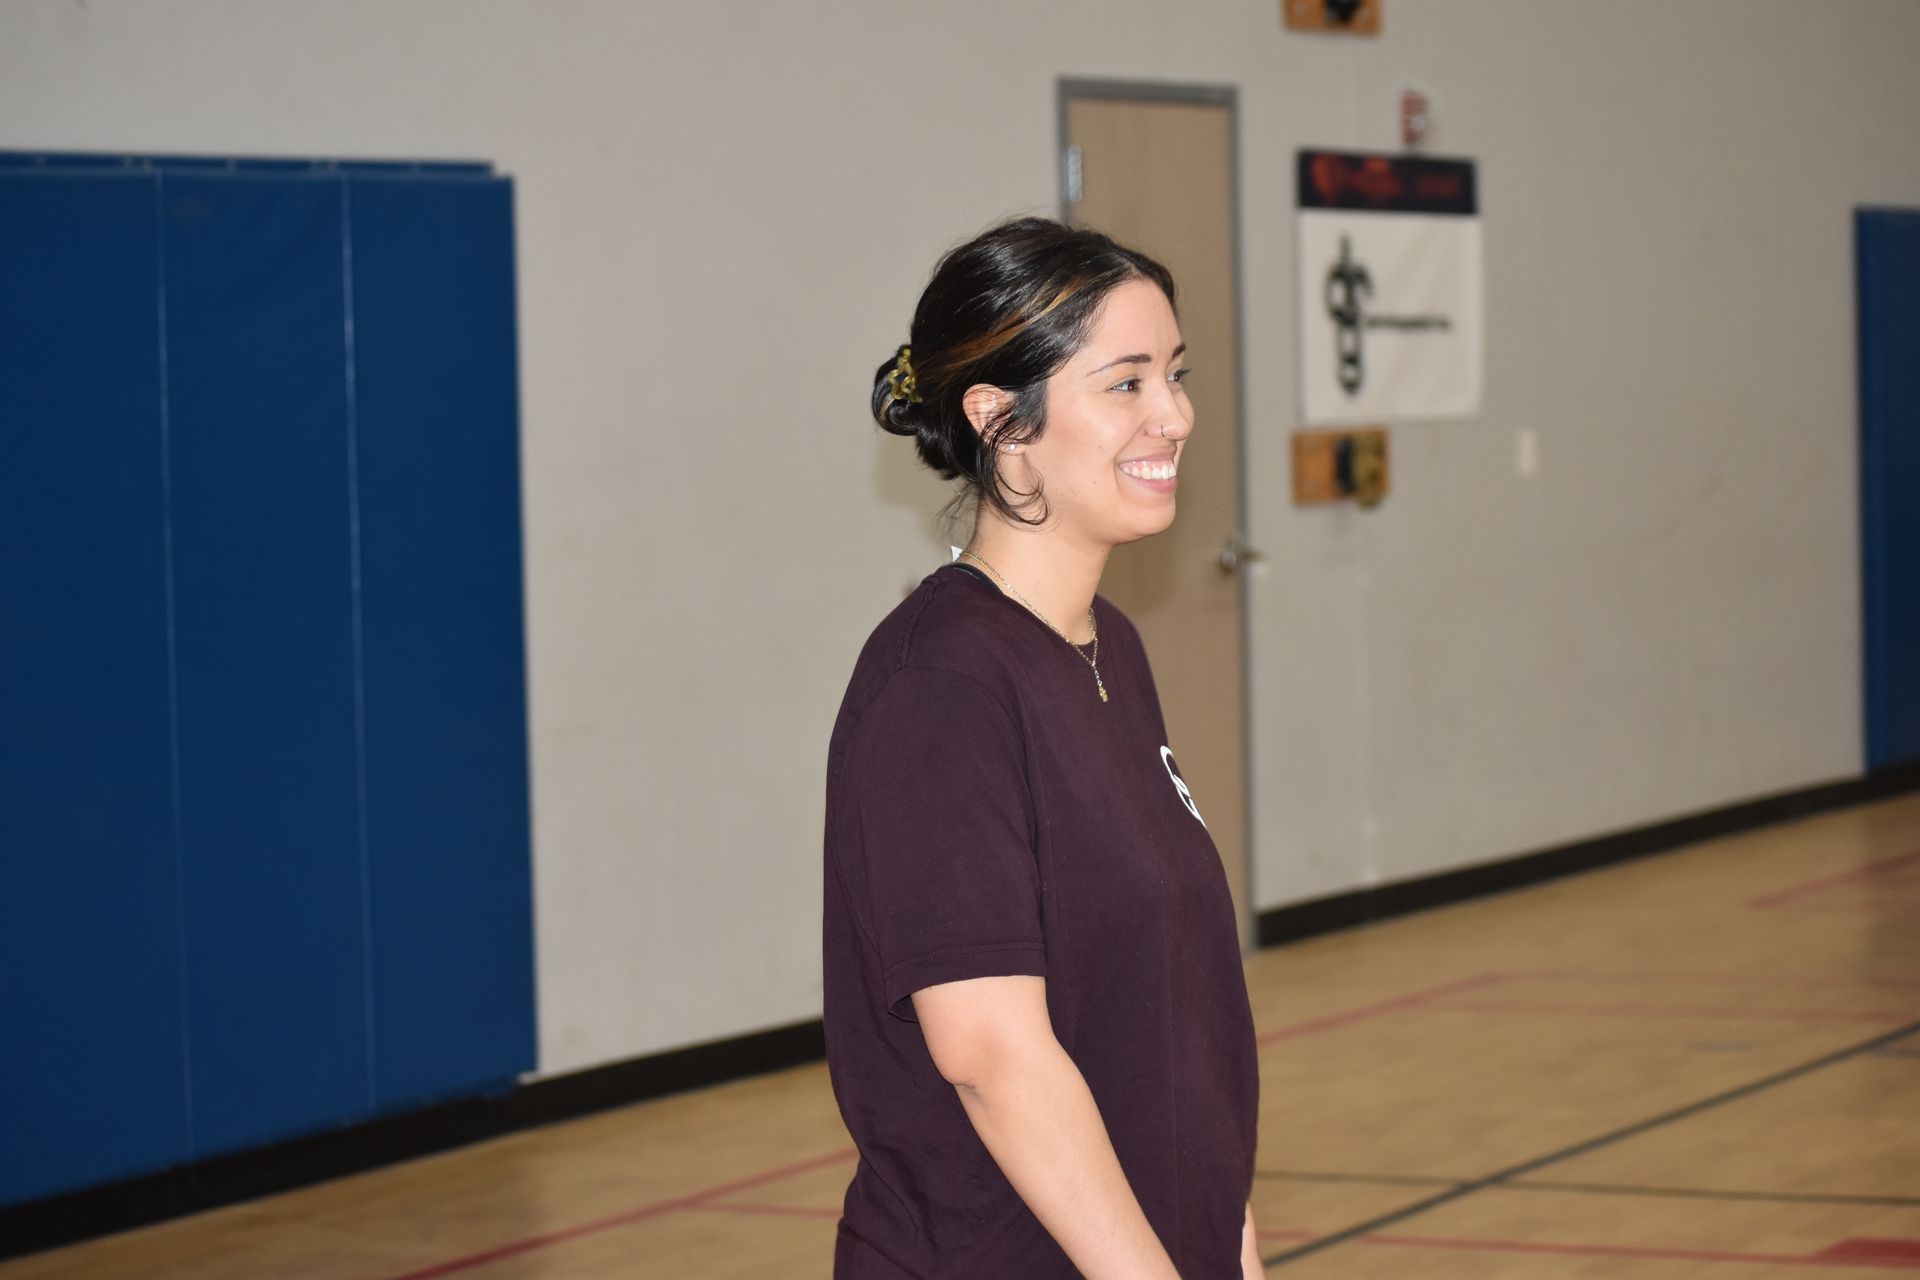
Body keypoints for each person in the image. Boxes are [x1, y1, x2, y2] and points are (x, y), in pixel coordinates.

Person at [821, 216, 1263, 1279]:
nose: (1177, 414)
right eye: (1126, 384)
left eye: (1176, 373)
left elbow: (1173, 1027)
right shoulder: (941, 685)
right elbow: (991, 1053)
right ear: (1000, 419)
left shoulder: (1109, 646)